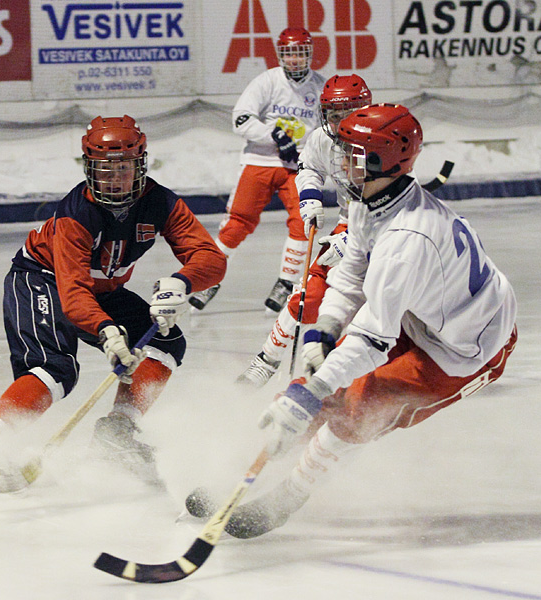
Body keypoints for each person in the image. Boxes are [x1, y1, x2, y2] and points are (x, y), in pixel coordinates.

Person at [217, 103, 518, 538]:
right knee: (316, 392)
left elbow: (374, 338)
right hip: (421, 316)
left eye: (350, 152)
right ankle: (246, 469)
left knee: (360, 407)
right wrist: (324, 335)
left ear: (379, 161)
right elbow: (352, 274)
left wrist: (311, 390)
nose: (340, 161)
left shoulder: (407, 239)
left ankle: (291, 493)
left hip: (466, 348)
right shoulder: (369, 198)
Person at [0, 115, 227, 493]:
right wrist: (107, 331)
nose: (115, 179)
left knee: (165, 342)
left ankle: (118, 432)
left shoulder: (159, 202)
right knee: (55, 368)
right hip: (41, 279)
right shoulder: (76, 214)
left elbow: (211, 258)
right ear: (88, 169)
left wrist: (181, 283)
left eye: (124, 168)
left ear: (140, 166)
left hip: (102, 291)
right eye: (104, 170)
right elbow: (74, 293)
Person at [237, 74, 372, 387]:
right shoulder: (323, 139)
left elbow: (399, 211)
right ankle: (266, 360)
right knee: (306, 296)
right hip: (348, 226)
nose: (340, 123)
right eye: (334, 115)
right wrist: (310, 198)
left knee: (382, 309)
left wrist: (355, 242)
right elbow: (309, 167)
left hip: (388, 240)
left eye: (348, 114)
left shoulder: (383, 139)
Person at [188, 27, 327, 313]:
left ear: (310, 55)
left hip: (298, 165)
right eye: (289, 54)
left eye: (300, 54)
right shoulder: (266, 81)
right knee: (237, 222)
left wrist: (309, 151)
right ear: (280, 56)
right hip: (260, 161)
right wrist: (274, 135)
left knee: (303, 221)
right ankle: (210, 278)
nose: (295, 61)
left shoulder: (321, 86)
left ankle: (286, 282)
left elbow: (326, 129)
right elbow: (240, 119)